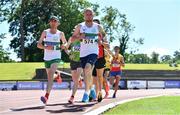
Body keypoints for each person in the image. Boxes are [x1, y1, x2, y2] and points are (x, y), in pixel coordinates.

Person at [71, 8, 106, 102]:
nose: (89, 16)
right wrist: (79, 37)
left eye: (90, 14)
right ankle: (92, 89)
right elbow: (72, 39)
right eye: (87, 14)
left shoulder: (98, 27)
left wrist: (100, 41)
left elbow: (104, 39)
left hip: (94, 52)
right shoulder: (80, 26)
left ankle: (86, 93)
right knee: (87, 74)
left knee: (87, 68)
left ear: (93, 15)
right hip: (83, 54)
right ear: (84, 15)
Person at [37, 16, 67, 104]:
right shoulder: (45, 32)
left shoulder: (60, 33)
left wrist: (64, 45)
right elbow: (38, 44)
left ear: (58, 23)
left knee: (50, 75)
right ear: (49, 22)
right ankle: (57, 76)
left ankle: (46, 96)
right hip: (47, 58)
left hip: (56, 57)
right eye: (51, 21)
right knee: (50, 77)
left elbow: (65, 43)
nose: (53, 22)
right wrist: (45, 47)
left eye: (55, 21)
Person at [91, 19, 108, 102]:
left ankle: (99, 93)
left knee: (100, 77)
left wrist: (101, 42)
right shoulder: (88, 33)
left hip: (100, 58)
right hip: (90, 57)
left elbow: (108, 45)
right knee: (92, 78)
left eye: (97, 25)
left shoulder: (103, 35)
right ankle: (94, 93)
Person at [65, 36, 83, 104]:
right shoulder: (71, 39)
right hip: (73, 61)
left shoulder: (82, 39)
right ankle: (80, 79)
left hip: (80, 61)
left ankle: (72, 97)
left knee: (76, 81)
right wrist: (69, 54)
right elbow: (66, 48)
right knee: (74, 79)